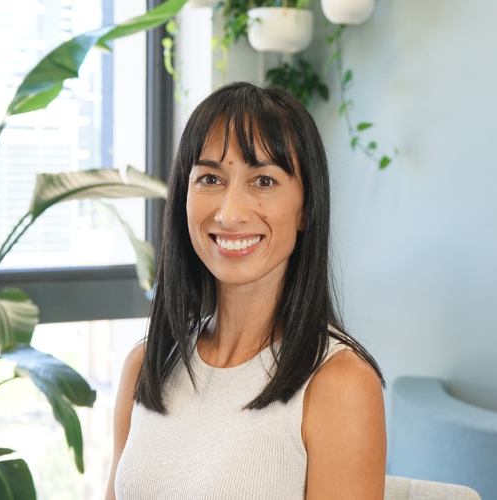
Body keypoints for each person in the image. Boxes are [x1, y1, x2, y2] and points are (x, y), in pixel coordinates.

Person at [105, 82, 386, 500]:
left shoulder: (340, 383)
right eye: (210, 178)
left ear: (306, 208)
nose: (230, 213)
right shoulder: (146, 364)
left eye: (264, 181)